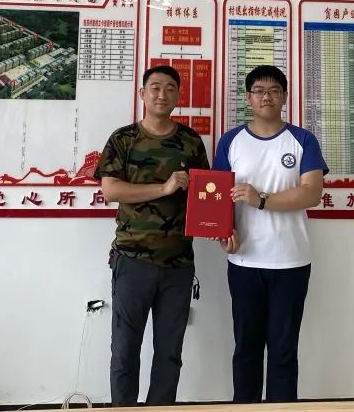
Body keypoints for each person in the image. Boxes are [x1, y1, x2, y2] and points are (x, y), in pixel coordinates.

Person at [94, 64, 209, 407]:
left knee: (170, 352)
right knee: (125, 349)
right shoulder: (123, 139)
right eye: (155, 87)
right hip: (132, 261)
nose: (162, 94)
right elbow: (111, 191)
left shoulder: (190, 142)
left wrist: (222, 228)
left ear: (178, 96)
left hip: (178, 264)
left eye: (170, 88)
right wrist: (164, 187)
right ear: (143, 94)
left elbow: (207, 195)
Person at [213, 65, 328, 403]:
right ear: (248, 98)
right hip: (244, 260)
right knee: (246, 349)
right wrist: (223, 233)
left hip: (291, 261)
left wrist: (261, 199)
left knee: (283, 351)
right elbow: (217, 196)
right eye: (259, 90)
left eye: (274, 90)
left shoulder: (303, 139)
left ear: (284, 97)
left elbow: (312, 193)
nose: (267, 96)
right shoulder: (231, 140)